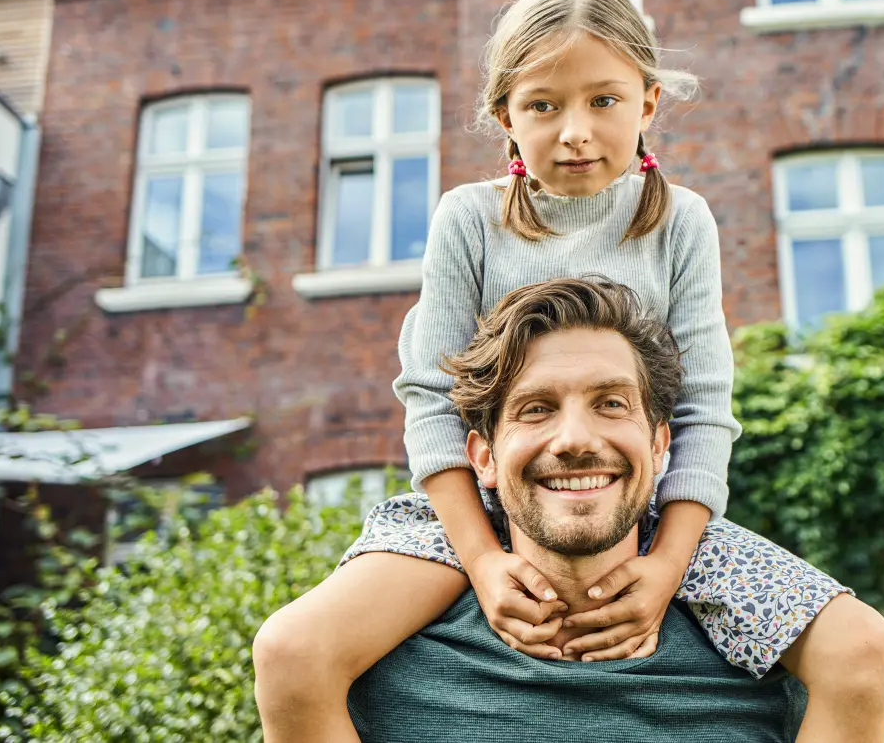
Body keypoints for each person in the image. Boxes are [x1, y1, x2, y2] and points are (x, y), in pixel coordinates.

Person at [253, 0, 884, 743]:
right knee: (292, 651)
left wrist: (666, 566)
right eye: (544, 106)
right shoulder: (469, 219)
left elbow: (704, 410)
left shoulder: (681, 222)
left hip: (646, 509)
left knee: (859, 647)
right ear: (506, 116)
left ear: (648, 103)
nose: (575, 133)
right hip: (465, 508)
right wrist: (483, 561)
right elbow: (428, 397)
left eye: (604, 101)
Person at [346, 277, 810, 742]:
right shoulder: (366, 676)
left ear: (659, 446)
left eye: (611, 403)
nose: (575, 440)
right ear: (483, 457)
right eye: (536, 408)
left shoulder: (778, 678)